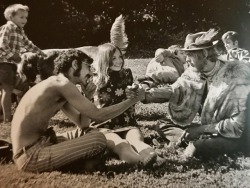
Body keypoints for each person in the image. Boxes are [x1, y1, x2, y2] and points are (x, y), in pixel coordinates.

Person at [11, 49, 145, 173]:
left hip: (39, 145)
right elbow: (98, 116)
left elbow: (83, 125)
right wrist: (132, 101)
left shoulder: (57, 84)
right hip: (30, 157)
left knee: (93, 131)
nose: (91, 73)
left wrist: (88, 97)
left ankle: (85, 161)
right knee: (99, 138)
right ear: (75, 64)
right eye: (88, 67)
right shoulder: (63, 85)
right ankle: (87, 163)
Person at [139, 28, 250, 158]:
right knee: (162, 124)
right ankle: (190, 140)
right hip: (208, 128)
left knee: (198, 147)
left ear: (204, 53)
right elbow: (175, 90)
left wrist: (200, 130)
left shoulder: (234, 75)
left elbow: (237, 126)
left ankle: (196, 142)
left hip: (235, 134)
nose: (186, 60)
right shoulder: (194, 71)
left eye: (190, 55)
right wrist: (146, 95)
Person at [93, 43, 166, 167]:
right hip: (104, 125)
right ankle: (140, 162)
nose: (119, 61)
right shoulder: (95, 79)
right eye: (113, 58)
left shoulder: (126, 73)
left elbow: (132, 91)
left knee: (136, 141)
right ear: (104, 60)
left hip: (126, 121)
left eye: (119, 57)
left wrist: (136, 89)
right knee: (121, 144)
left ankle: (155, 158)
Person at [0, 4, 46, 123]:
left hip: (11, 64)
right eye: (21, 17)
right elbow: (2, 45)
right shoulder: (7, 28)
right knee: (7, 89)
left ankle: (18, 114)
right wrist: (13, 56)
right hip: (3, 63)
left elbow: (28, 44)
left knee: (18, 88)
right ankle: (7, 119)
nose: (25, 20)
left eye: (26, 17)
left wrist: (40, 52)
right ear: (11, 17)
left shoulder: (20, 31)